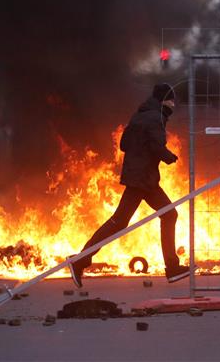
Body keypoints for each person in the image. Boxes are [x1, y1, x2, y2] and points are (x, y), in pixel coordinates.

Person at [69, 83, 191, 286]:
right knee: (167, 215)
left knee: (120, 221)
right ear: (164, 101)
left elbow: (124, 144)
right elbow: (155, 145)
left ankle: (81, 260)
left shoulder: (138, 116)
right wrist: (169, 156)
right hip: (144, 179)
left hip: (138, 177)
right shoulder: (156, 118)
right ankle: (172, 267)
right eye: (171, 101)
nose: (173, 105)